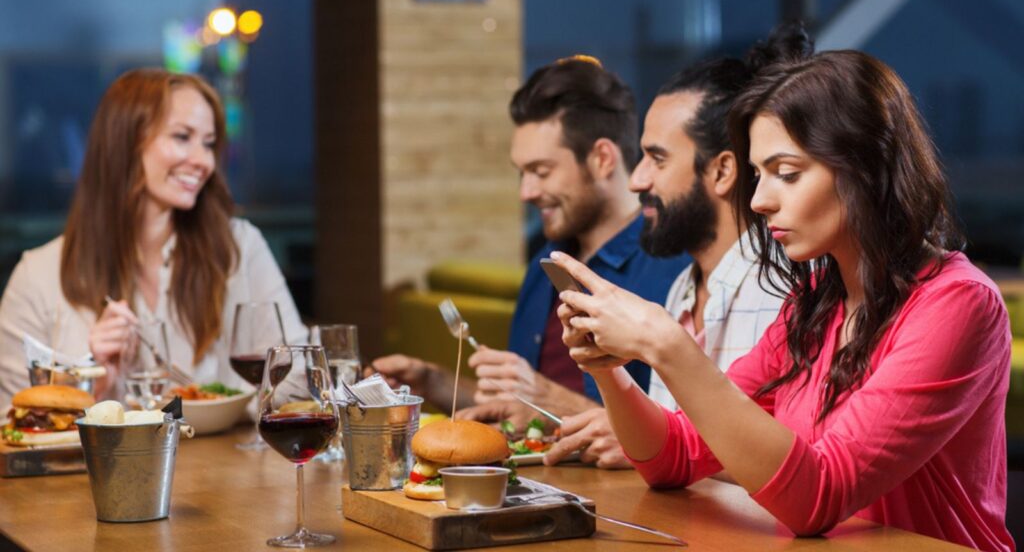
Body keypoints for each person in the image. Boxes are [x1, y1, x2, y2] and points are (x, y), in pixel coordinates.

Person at [551, 50, 1014, 551]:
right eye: (758, 174)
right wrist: (606, 367)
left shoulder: (959, 304)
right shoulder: (812, 305)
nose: (758, 200)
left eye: (786, 173)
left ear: (864, 167)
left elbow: (819, 495)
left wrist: (668, 346)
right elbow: (672, 459)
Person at [541, 27, 811, 468]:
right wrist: (604, 366)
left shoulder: (786, 288)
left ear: (723, 171)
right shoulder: (683, 289)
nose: (637, 180)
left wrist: (653, 447)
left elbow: (790, 470)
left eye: (658, 159)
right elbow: (685, 462)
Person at [371, 56, 688, 420]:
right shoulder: (546, 263)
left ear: (602, 158)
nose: (526, 192)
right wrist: (433, 382)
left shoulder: (671, 268)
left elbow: (684, 437)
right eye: (522, 173)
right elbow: (527, 408)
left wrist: (550, 398)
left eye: (541, 171)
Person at [0, 69, 308, 408]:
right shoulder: (37, 278)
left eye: (208, 143)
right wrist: (91, 384)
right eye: (182, 136)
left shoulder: (240, 248)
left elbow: (298, 377)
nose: (203, 160)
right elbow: (13, 428)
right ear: (126, 143)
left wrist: (239, 409)